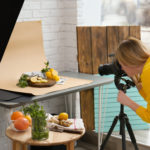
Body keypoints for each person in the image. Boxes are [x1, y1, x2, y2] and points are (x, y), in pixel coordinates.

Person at [115, 37, 150, 123]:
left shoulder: (147, 73)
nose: (122, 68)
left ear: (129, 61)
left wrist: (128, 102)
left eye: (122, 64)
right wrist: (140, 89)